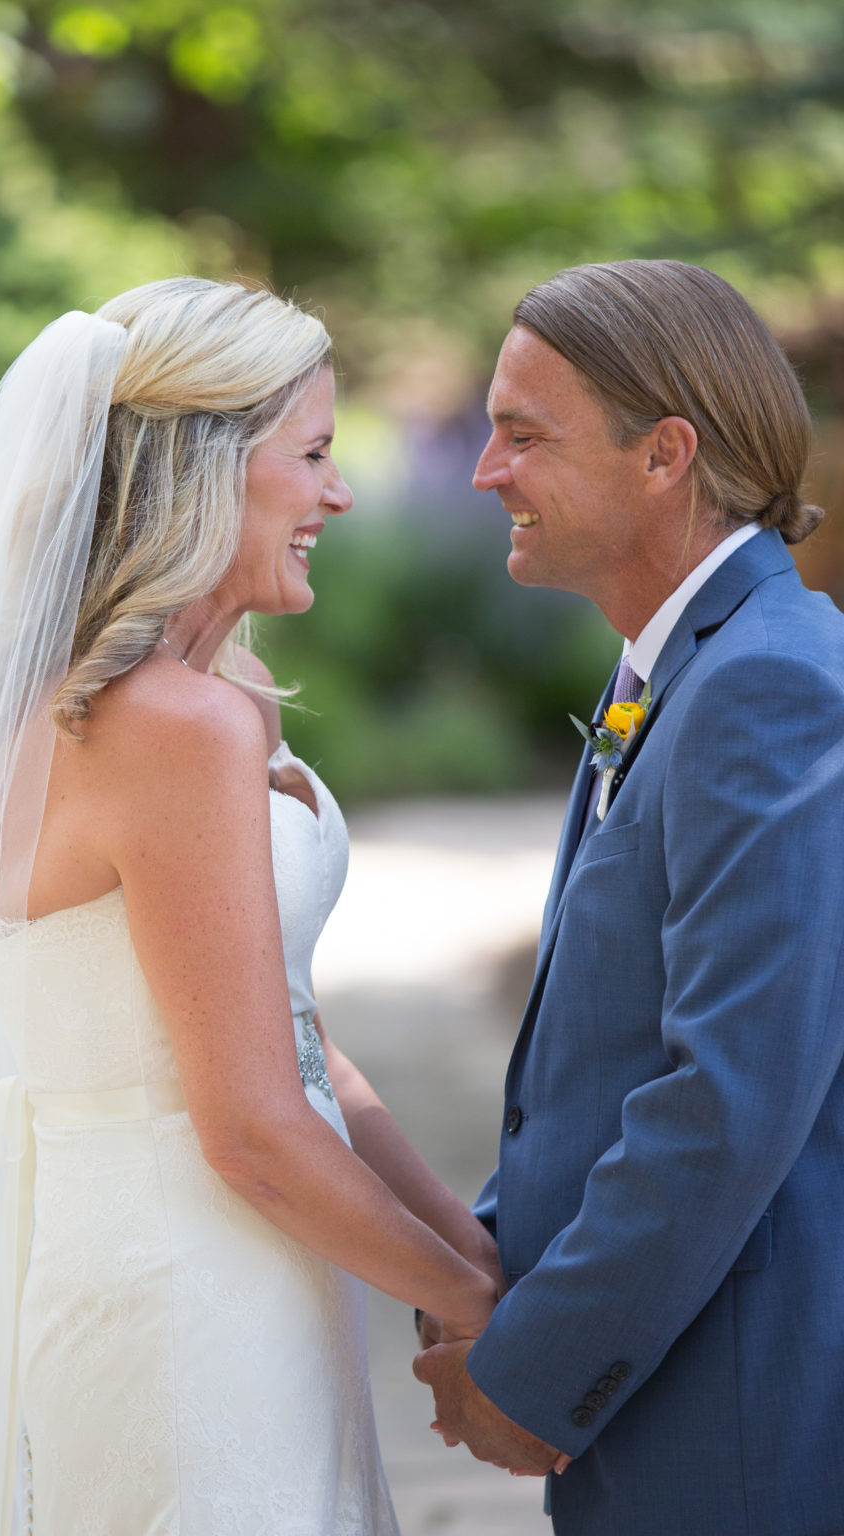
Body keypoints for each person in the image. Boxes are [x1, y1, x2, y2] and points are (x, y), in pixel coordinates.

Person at [0, 277, 503, 1535]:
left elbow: (293, 1037)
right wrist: (486, 1325)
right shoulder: (167, 725)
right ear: (201, 472)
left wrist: (469, 1250)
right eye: (310, 455)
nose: (340, 496)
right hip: (191, 1294)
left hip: (218, 1269)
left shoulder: (165, 695)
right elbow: (248, 1124)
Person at [414, 258, 844, 1536]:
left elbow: (729, 1095)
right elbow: (600, 1055)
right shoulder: (677, 672)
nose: (486, 472)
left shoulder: (772, 689)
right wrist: (489, 1268)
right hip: (667, 1392)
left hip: (739, 1421)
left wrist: (539, 1374)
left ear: (664, 453)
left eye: (522, 435)